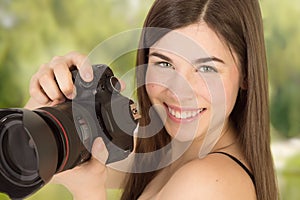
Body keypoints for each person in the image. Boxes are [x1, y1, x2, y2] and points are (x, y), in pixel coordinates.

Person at [25, 0, 279, 199]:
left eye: (206, 69)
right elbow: (29, 157)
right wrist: (47, 101)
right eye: (165, 63)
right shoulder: (160, 153)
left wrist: (88, 192)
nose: (180, 91)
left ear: (246, 74)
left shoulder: (210, 183)